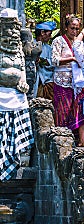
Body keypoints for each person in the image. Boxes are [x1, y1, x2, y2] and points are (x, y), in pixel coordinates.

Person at [0, 8, 34, 181]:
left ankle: (19, 157)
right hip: (1, 94)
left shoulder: (19, 49)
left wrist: (23, 82)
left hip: (17, 95)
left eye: (15, 29)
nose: (12, 33)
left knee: (19, 127)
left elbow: (22, 70)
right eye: (8, 28)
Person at [51, 14, 81, 127]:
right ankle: (61, 134)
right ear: (66, 28)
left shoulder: (78, 43)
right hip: (62, 81)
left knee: (74, 110)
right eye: (72, 28)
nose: (74, 31)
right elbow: (54, 60)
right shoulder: (58, 41)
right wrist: (72, 59)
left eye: (77, 28)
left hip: (76, 81)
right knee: (62, 110)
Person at [33, 21, 57, 100]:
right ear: (42, 32)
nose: (50, 37)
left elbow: (53, 63)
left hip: (47, 84)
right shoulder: (31, 44)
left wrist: (44, 61)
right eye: (49, 34)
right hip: (34, 82)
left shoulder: (49, 48)